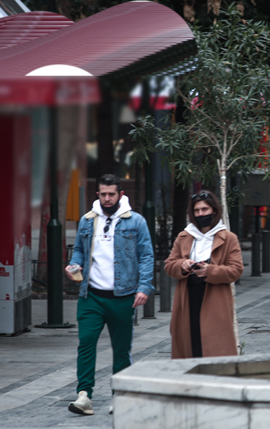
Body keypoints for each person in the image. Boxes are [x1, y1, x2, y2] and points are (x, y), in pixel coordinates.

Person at [65, 174, 154, 415]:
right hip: (91, 295)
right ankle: (84, 395)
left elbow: (146, 256)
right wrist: (74, 266)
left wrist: (144, 287)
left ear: (120, 195)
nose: (107, 198)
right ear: (98, 195)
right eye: (103, 194)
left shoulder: (136, 222)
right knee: (86, 343)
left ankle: (120, 396)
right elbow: (80, 253)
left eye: (111, 194)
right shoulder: (87, 221)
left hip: (122, 296)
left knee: (121, 349)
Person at [165, 190, 243, 359]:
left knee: (214, 346)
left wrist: (211, 271)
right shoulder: (185, 236)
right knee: (189, 343)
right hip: (188, 298)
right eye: (197, 211)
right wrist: (182, 265)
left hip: (215, 299)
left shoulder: (228, 238)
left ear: (214, 210)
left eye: (204, 210)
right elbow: (169, 265)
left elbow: (236, 269)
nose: (200, 214)